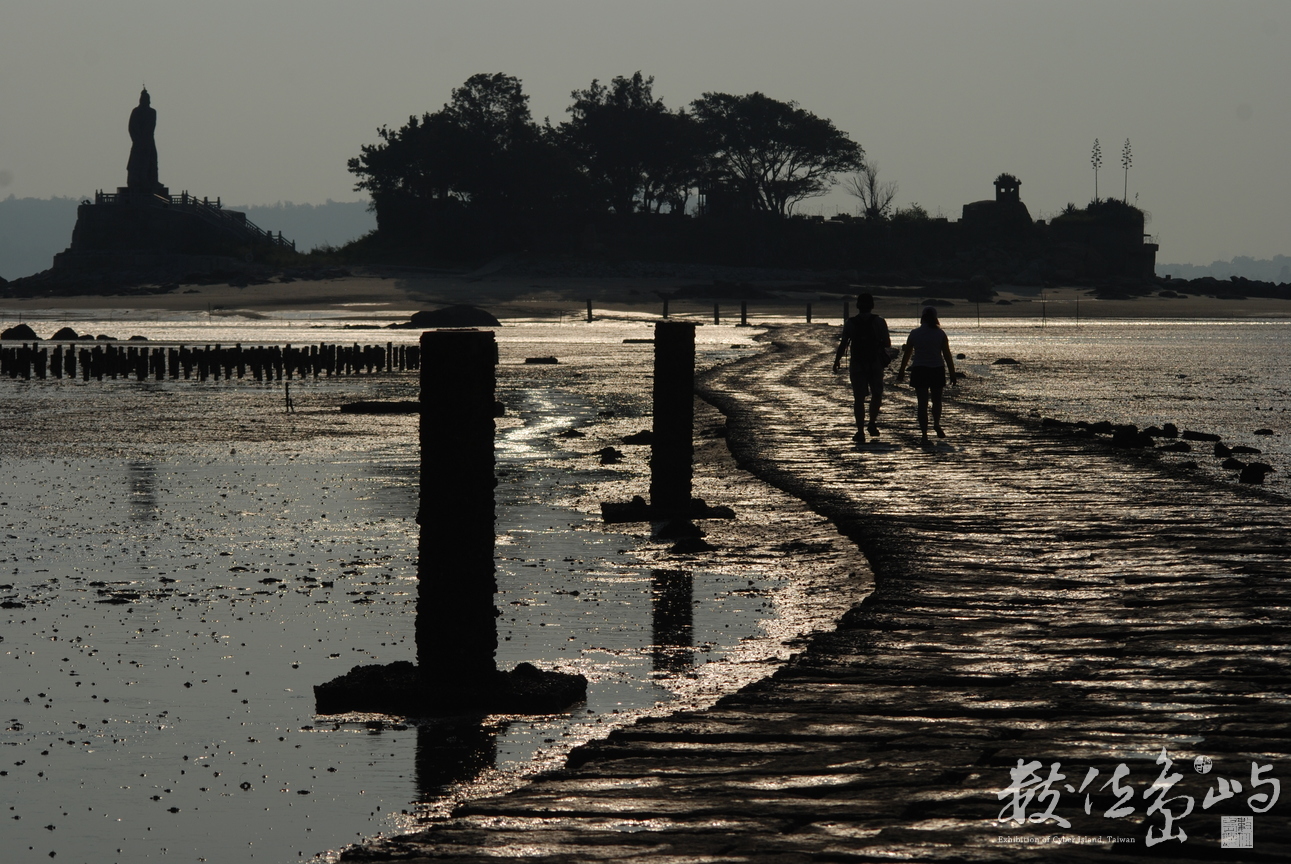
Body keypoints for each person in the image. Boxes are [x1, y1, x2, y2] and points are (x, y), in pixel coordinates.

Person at [832, 293, 891, 442]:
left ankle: (860, 431)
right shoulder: (879, 321)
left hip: (857, 364)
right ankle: (872, 422)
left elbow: (844, 344)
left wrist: (837, 361)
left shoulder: (850, 323)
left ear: (857, 306)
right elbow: (887, 343)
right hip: (875, 363)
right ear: (872, 306)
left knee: (858, 398)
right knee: (876, 394)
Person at [895, 307, 957, 445]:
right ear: (935, 318)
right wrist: (952, 373)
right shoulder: (940, 334)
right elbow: (947, 355)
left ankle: (924, 434)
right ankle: (936, 423)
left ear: (922, 318)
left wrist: (901, 371)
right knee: (937, 400)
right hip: (936, 369)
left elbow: (907, 354)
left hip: (919, 369)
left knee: (922, 403)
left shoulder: (914, 333)